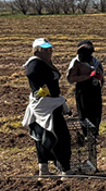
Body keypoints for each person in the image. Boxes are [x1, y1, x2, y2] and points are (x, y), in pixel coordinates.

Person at [22, 38, 71, 175]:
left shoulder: (44, 63)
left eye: (50, 49)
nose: (49, 51)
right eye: (44, 49)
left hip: (46, 104)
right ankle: (66, 171)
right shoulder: (35, 62)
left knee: (43, 136)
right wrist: (41, 86)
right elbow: (30, 73)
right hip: (46, 105)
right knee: (60, 136)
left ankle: (44, 169)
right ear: (37, 51)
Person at [67, 40, 104, 130]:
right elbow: (72, 78)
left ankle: (95, 132)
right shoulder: (76, 62)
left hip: (95, 88)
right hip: (82, 89)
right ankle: (86, 133)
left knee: (96, 111)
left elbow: (101, 74)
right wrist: (88, 76)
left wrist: (99, 76)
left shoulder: (95, 61)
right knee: (84, 112)